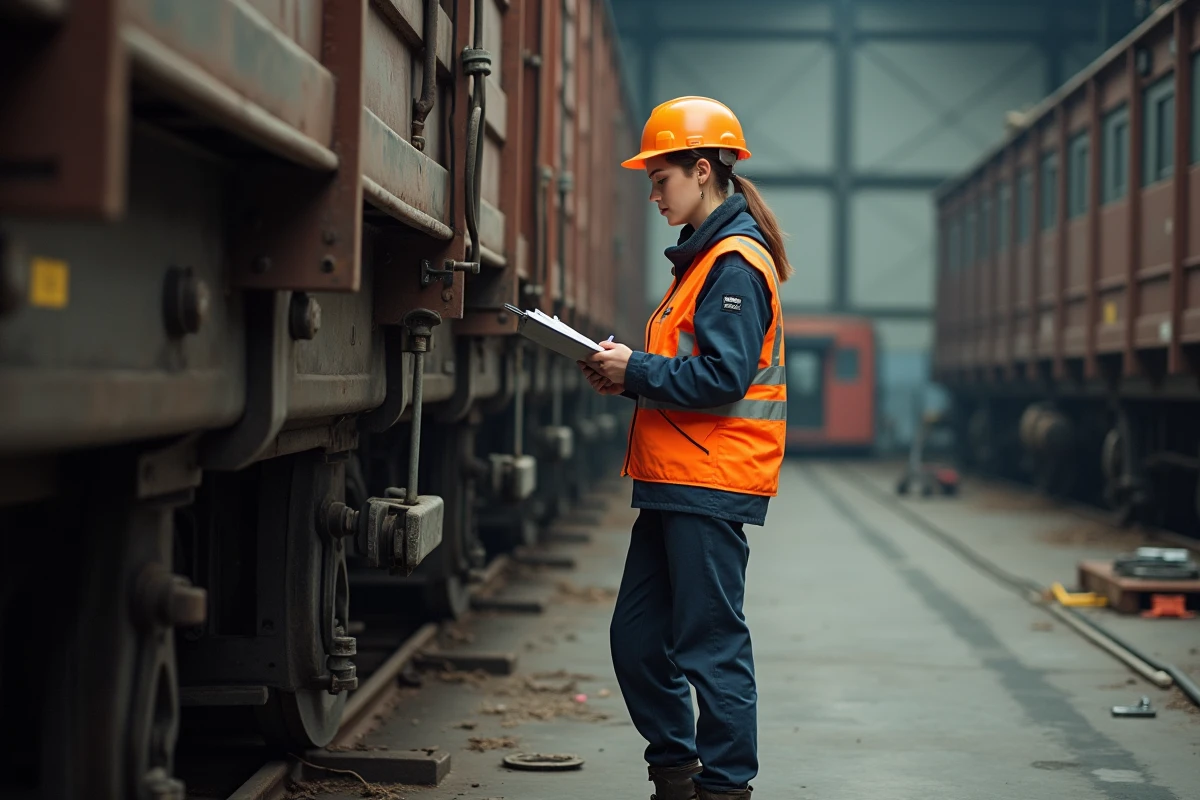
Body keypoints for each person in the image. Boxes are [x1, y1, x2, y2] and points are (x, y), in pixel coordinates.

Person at [579, 96, 792, 800]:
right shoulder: (701, 259)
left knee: (710, 646)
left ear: (703, 170)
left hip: (711, 482)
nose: (654, 194)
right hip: (675, 479)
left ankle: (724, 788)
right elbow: (690, 370)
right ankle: (677, 772)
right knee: (638, 640)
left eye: (660, 178)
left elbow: (724, 378)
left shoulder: (734, 263)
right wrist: (628, 376)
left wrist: (637, 370)